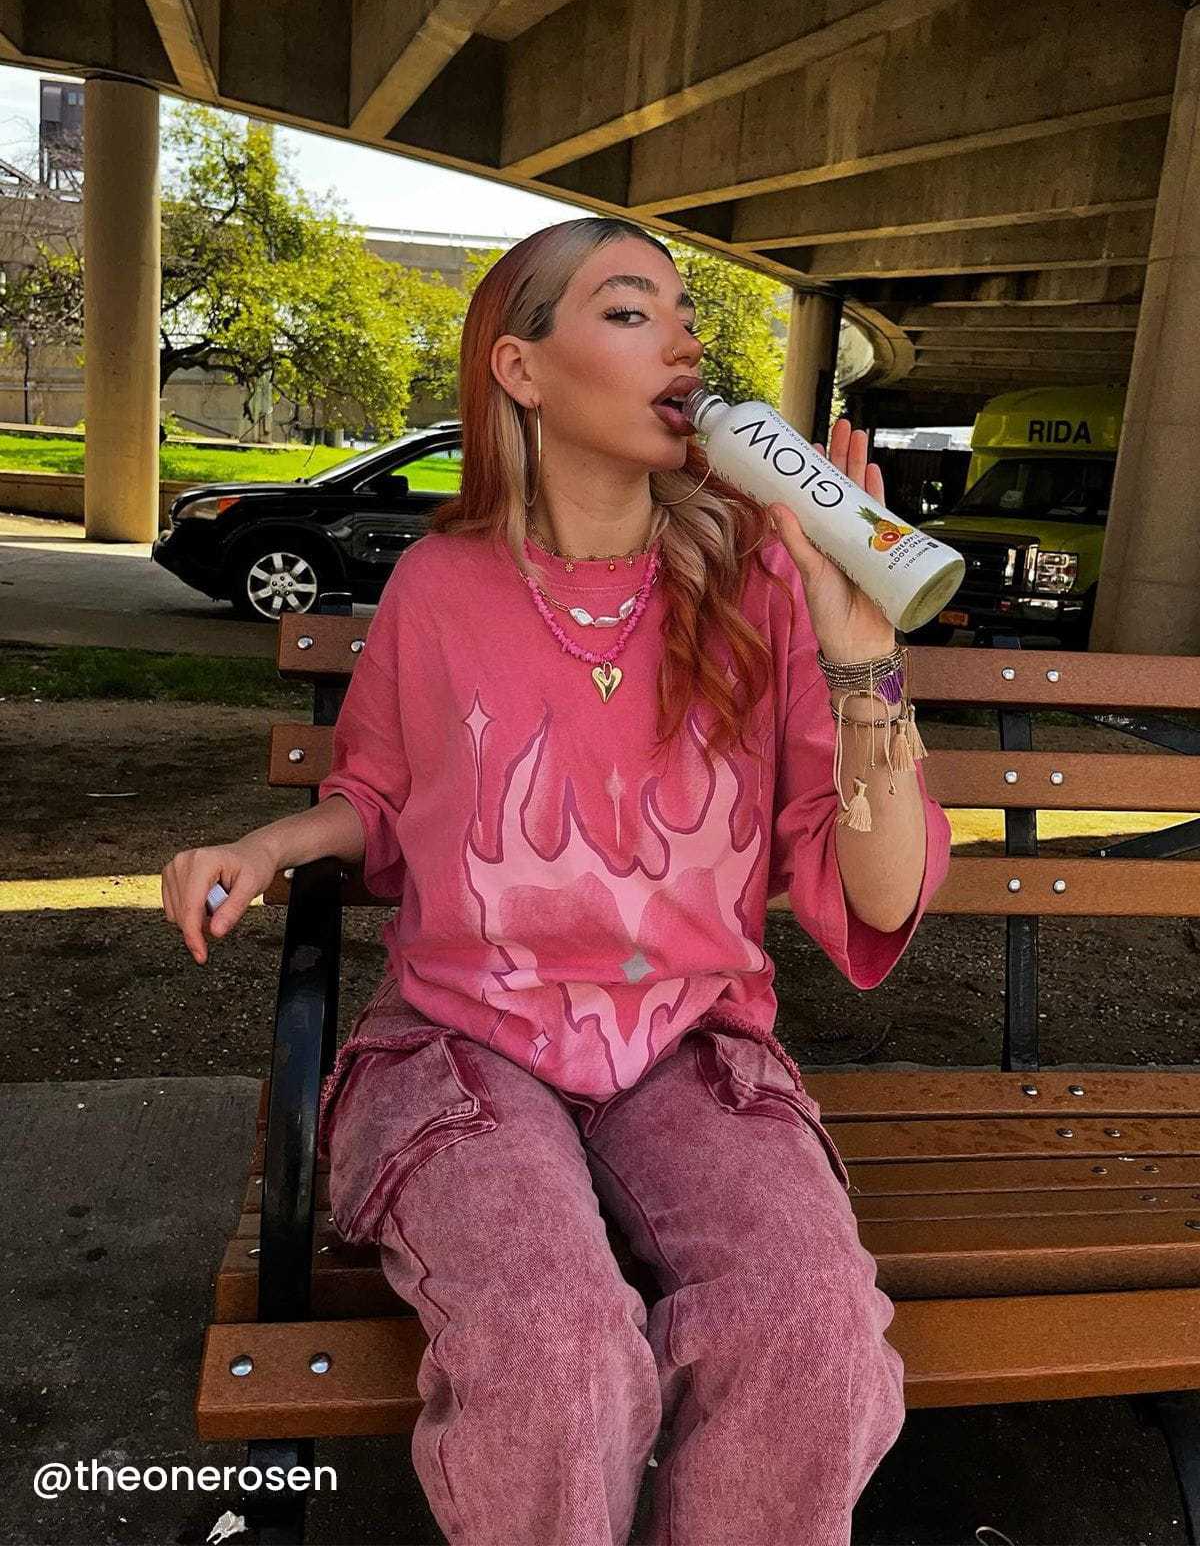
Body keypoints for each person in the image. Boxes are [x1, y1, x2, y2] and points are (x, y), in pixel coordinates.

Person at [162, 215, 953, 1546]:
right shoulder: (440, 586)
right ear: (520, 369)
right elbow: (385, 798)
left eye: (684, 315)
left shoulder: (760, 581)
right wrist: (269, 847)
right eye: (631, 310)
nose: (684, 341)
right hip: (465, 1041)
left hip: (690, 1046)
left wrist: (863, 656)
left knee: (814, 1331)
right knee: (552, 1342)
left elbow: (877, 897)